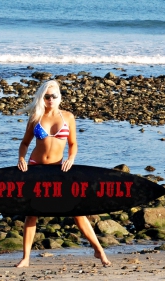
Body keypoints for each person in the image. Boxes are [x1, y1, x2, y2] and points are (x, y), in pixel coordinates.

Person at [15, 80, 111, 268]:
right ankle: (26, 258)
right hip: (36, 168)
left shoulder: (68, 117)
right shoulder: (36, 117)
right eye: (47, 96)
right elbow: (25, 143)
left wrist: (71, 159)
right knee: (31, 214)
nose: (50, 99)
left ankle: (99, 250)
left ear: (60, 97)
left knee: (77, 212)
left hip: (60, 169)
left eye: (54, 96)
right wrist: (21, 159)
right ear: (42, 97)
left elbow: (73, 143)